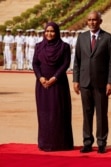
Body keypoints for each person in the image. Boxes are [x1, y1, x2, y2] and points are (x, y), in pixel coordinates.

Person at [73, 11, 111, 154]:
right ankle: (87, 142)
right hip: (85, 82)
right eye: (89, 20)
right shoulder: (82, 37)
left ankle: (102, 142)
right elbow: (77, 61)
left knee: (101, 114)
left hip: (101, 83)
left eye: (94, 20)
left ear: (100, 21)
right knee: (87, 113)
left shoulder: (108, 38)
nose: (92, 22)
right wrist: (75, 80)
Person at [32, 22, 74, 151]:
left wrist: (55, 77)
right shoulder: (39, 46)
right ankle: (45, 143)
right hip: (43, 85)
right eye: (47, 31)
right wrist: (41, 78)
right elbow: (35, 64)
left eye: (52, 31)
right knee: (44, 114)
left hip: (58, 84)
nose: (49, 34)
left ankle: (60, 143)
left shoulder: (64, 46)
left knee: (58, 113)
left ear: (57, 32)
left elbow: (65, 64)